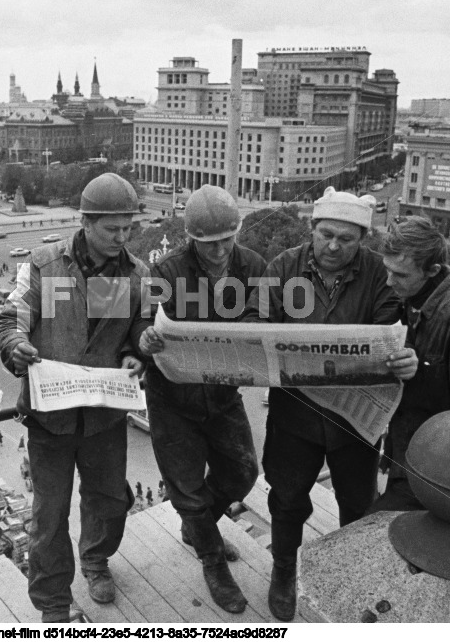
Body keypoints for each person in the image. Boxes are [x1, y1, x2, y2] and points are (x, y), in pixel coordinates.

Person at [242, 187, 417, 621]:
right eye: (326, 235)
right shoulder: (283, 266)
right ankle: (284, 571)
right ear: (312, 229)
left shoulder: (378, 274)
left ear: (362, 240)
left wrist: (395, 355)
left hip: (354, 422)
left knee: (356, 506)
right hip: (294, 415)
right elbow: (254, 317)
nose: (334, 246)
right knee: (286, 500)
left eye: (346, 238)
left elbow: (388, 328)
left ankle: (351, 578)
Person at [0, 173, 148, 623]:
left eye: (128, 229)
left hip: (104, 419)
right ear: (85, 222)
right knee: (49, 517)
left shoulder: (135, 275)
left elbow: (137, 330)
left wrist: (135, 355)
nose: (122, 239)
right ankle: (53, 603)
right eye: (111, 230)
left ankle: (97, 561)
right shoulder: (44, 266)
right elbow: (11, 318)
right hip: (50, 421)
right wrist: (14, 347)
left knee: (108, 501)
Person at [137, 185, 264, 614]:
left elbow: (264, 313)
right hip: (172, 398)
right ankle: (212, 561)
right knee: (186, 489)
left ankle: (198, 527)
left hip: (223, 395)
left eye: (227, 240)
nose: (219, 251)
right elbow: (139, 324)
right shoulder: (168, 273)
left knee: (244, 471)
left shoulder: (252, 266)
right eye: (208, 244)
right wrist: (146, 339)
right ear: (192, 238)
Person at [366, 217, 450, 513]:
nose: (390, 282)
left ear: (433, 271)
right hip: (409, 460)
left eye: (400, 274)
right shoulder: (412, 295)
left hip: (444, 476)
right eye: (387, 271)